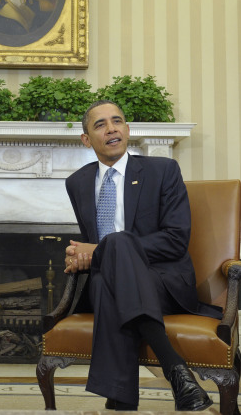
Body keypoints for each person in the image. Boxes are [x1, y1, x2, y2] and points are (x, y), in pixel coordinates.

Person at [64, 100, 222, 411]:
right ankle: (177, 371)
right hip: (108, 282)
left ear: (127, 129)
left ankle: (121, 399)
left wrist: (102, 250)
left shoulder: (162, 171)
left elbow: (176, 241)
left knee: (119, 243)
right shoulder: (77, 182)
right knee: (114, 257)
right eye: (100, 125)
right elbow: (94, 249)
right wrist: (79, 255)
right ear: (86, 139)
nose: (111, 129)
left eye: (117, 121)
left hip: (164, 282)